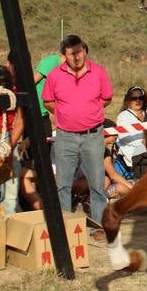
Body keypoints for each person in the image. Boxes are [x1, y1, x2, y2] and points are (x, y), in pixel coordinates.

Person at [42, 34, 113, 240]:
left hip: (92, 136)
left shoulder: (98, 72)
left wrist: (89, 112)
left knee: (97, 184)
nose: (76, 56)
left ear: (85, 51)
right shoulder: (55, 75)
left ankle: (98, 226)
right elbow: (48, 101)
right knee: (63, 184)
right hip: (65, 137)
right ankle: (63, 228)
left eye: (79, 51)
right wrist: (66, 114)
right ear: (64, 55)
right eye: (71, 53)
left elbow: (107, 98)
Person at [0, 64, 24, 216]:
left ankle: (9, 223)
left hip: (8, 136)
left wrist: (9, 147)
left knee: (10, 190)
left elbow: (20, 120)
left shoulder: (15, 93)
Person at [115, 85, 147, 178]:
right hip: (133, 153)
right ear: (128, 100)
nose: (138, 100)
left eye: (140, 98)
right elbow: (124, 137)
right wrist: (144, 141)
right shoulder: (123, 116)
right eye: (134, 98)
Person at [34, 50, 65, 138]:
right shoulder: (52, 61)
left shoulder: (66, 70)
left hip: (45, 111)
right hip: (37, 110)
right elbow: (32, 81)